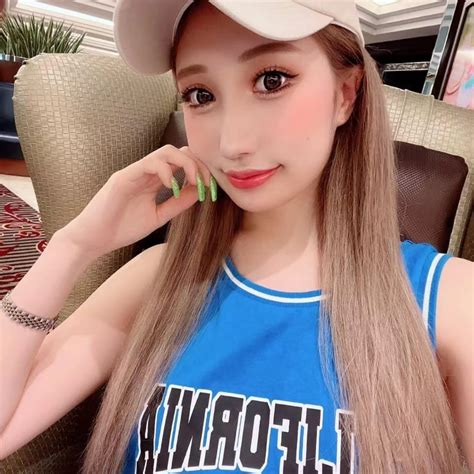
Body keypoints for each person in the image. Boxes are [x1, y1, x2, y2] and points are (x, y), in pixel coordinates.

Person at [0, 0, 472, 472]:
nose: (232, 143)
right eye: (200, 95)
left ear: (346, 95)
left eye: (272, 80)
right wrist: (74, 245)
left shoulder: (448, 300)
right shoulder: (157, 279)